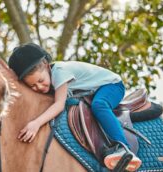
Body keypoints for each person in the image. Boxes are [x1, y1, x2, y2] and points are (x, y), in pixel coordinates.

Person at [8, 43, 142, 171]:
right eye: (33, 86)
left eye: (40, 81)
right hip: (92, 90)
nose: (39, 87)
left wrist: (36, 123)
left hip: (112, 85)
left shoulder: (60, 72)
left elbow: (59, 105)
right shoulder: (48, 79)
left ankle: (124, 148)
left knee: (99, 105)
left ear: (46, 64)